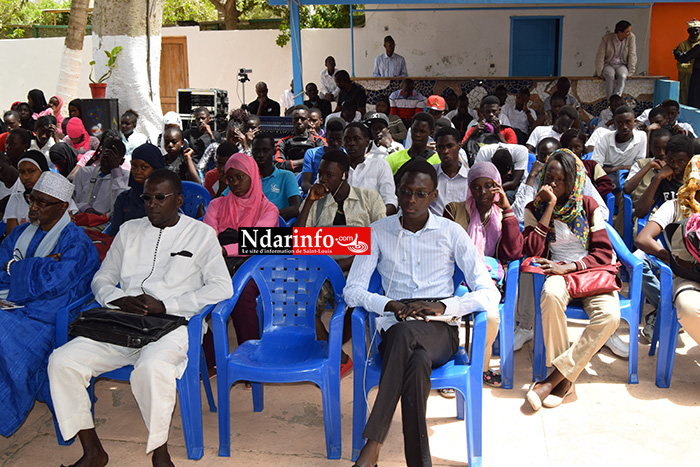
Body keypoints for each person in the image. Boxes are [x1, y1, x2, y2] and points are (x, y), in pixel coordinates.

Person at [49, 169, 232, 467]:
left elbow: (222, 287)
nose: (152, 204)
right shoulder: (129, 231)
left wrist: (168, 304)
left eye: (160, 197)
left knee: (150, 368)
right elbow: (102, 278)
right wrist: (119, 299)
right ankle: (93, 451)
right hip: (124, 322)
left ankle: (160, 453)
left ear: (179, 200)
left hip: (173, 325)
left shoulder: (201, 235)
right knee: (62, 361)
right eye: (147, 198)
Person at [344, 160, 500, 467]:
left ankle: (371, 445)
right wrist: (390, 306)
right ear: (398, 192)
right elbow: (353, 290)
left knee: (408, 334)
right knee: (415, 362)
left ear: (433, 195)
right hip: (395, 322)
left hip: (440, 328)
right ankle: (419, 462)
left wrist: (444, 307)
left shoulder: (451, 232)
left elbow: (489, 292)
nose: (411, 200)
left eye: (420, 193)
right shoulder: (377, 231)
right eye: (405, 192)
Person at [0, 171, 99, 438]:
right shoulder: (20, 233)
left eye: (42, 203)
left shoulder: (75, 241)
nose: (34, 207)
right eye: (33, 199)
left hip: (50, 314)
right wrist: (32, 267)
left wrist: (14, 268)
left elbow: (55, 283)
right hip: (15, 304)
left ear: (63, 207)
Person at [523, 149, 621, 410]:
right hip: (557, 270)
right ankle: (563, 382)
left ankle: (558, 379)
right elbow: (531, 250)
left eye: (560, 179)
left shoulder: (588, 205)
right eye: (549, 178)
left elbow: (603, 253)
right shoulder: (535, 208)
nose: (553, 184)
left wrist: (571, 267)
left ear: (573, 179)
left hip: (589, 271)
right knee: (551, 296)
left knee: (610, 317)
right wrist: (550, 207)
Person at [295, 149, 386, 377]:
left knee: (354, 308)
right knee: (301, 304)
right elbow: (298, 238)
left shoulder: (369, 199)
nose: (322, 180)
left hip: (362, 269)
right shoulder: (317, 201)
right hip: (324, 269)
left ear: (344, 175)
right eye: (320, 174)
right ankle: (338, 355)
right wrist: (309, 200)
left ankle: (335, 348)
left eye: (329, 175)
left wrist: (349, 261)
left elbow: (384, 239)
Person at [444, 161, 523, 387]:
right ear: (470, 188)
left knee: (489, 317)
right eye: (476, 187)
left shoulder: (502, 214)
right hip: (457, 279)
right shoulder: (454, 210)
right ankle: (451, 365)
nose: (483, 192)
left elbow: (513, 251)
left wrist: (507, 209)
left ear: (497, 186)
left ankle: (481, 367)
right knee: (448, 311)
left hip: (490, 282)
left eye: (489, 186)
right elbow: (446, 252)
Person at [203, 154, 278, 346]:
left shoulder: (268, 209)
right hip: (218, 263)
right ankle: (209, 353)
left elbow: (257, 243)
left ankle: (249, 350)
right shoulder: (216, 205)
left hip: (257, 265)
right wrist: (220, 251)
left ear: (252, 175)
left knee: (241, 291)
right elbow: (207, 239)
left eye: (240, 177)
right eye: (230, 179)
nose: (234, 183)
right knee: (187, 288)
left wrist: (226, 249)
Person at [635, 151, 700, 342]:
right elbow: (642, 238)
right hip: (687, 272)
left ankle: (662, 312)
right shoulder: (677, 205)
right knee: (638, 259)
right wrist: (671, 258)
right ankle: (664, 305)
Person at [3, 150, 76, 235]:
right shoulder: (16, 199)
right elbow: (12, 236)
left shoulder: (59, 198)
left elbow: (67, 232)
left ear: (43, 171)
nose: (26, 177)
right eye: (21, 172)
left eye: (31, 171)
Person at [107, 143, 166, 237]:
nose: (137, 171)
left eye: (144, 167)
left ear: (156, 169)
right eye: (134, 166)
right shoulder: (124, 199)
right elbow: (115, 233)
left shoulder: (165, 199)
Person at [343, 122, 398, 215]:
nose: (351, 143)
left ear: (367, 142)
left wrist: (377, 220)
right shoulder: (335, 167)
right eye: (347, 140)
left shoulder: (380, 165)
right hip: (339, 225)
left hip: (373, 224)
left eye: (356, 139)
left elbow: (390, 200)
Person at [633, 134, 693, 219]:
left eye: (681, 161)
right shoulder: (662, 180)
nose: (675, 165)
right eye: (670, 160)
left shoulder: (695, 180)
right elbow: (640, 212)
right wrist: (658, 177)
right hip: (667, 225)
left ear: (690, 160)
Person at [73, 139, 130, 217]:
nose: (108, 160)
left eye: (113, 158)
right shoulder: (84, 172)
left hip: (104, 223)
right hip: (80, 218)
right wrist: (84, 208)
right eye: (105, 156)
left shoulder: (126, 178)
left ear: (121, 161)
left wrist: (115, 170)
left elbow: (122, 203)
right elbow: (73, 199)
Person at [253, 133, 301, 221]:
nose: (260, 155)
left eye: (265, 150)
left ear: (273, 151)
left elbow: (296, 208)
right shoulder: (246, 177)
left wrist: (269, 216)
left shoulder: (286, 176)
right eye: (256, 151)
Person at [591, 105, 647, 179]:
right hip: (605, 176)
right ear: (615, 124)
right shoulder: (604, 138)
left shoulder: (641, 136)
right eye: (620, 123)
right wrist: (619, 168)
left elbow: (639, 165)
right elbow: (596, 168)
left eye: (628, 122)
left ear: (635, 122)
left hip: (629, 176)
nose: (624, 127)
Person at [386, 113, 440, 181]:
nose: (417, 134)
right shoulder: (393, 159)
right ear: (411, 130)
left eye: (422, 132)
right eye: (415, 130)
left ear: (430, 133)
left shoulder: (437, 160)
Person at [624, 128, 672, 206]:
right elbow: (627, 188)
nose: (662, 153)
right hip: (643, 209)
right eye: (657, 148)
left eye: (665, 148)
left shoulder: (675, 167)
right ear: (650, 148)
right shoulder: (641, 164)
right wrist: (649, 165)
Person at [560, 129, 613, 198]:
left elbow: (606, 184)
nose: (572, 151)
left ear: (583, 148)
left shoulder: (591, 165)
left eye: (577, 147)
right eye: (568, 147)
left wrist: (588, 196)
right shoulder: (558, 166)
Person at [430, 127, 469, 216]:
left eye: (449, 146)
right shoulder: (429, 174)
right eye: (440, 147)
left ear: (459, 146)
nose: (445, 151)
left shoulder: (470, 177)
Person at [274, 105, 325, 172]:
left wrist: (290, 164)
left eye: (303, 119)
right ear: (292, 120)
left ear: (308, 120)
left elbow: (322, 162)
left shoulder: (319, 141)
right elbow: (279, 164)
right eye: (296, 119)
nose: (299, 122)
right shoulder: (283, 142)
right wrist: (308, 160)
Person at [301, 117, 345, 193]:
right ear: (326, 135)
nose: (335, 143)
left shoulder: (346, 156)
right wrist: (317, 192)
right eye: (331, 139)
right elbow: (305, 183)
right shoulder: (311, 154)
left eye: (339, 139)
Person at [595, 20, 637, 98]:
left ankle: (617, 99)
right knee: (610, 76)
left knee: (623, 76)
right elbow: (600, 55)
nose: (629, 33)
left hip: (621, 64)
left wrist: (631, 71)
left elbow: (632, 54)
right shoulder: (607, 38)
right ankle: (610, 101)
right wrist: (599, 72)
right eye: (627, 32)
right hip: (608, 64)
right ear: (619, 32)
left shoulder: (631, 37)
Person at [676, 19, 700, 105]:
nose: (694, 33)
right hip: (686, 78)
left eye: (696, 31)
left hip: (697, 78)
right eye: (692, 31)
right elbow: (679, 65)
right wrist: (692, 67)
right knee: (685, 101)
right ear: (688, 31)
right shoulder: (682, 45)